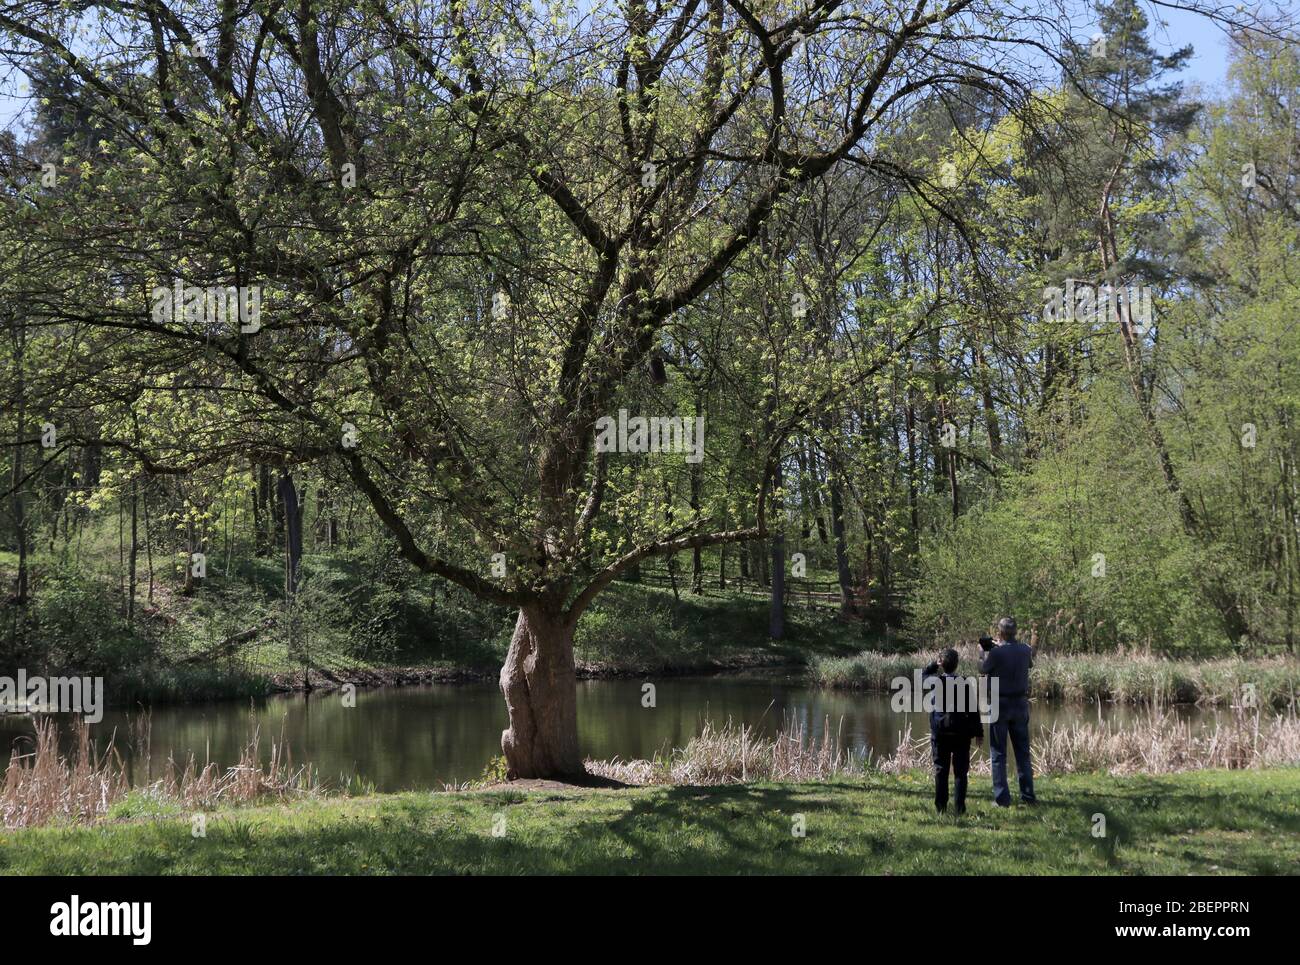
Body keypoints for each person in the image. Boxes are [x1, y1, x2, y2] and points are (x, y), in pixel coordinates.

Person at [979, 616, 1037, 806]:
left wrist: (983, 652)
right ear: (1016, 631)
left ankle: (1002, 798)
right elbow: (1028, 663)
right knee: (1022, 753)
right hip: (1020, 704)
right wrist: (1000, 646)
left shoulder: (996, 653)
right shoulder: (1025, 650)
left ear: (1001, 632)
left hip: (999, 704)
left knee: (998, 753)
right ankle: (1028, 797)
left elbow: (983, 669)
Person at [922, 648, 983, 814]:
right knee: (960, 772)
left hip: (940, 731)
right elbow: (973, 709)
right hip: (961, 733)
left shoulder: (935, 682)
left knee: (941, 770)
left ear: (942, 665)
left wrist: (934, 664)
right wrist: (979, 732)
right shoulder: (964, 683)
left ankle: (941, 808)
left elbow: (923, 675)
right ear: (957, 665)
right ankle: (959, 808)